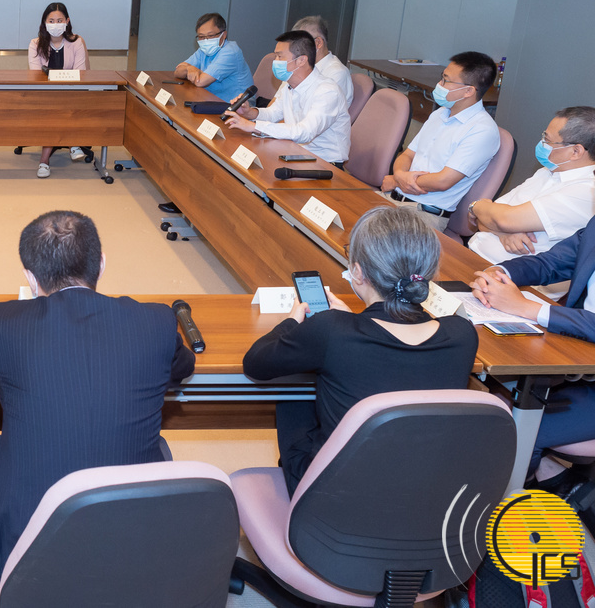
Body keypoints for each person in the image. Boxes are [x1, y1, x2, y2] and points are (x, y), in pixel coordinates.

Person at [0, 210, 195, 608]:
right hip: (134, 520)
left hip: (28, 528)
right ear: (101, 264)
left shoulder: (5, 322)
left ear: (30, 277)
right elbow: (182, 368)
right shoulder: (156, 321)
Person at [244, 207, 478, 495]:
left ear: (357, 272)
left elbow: (255, 363)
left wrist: (292, 321)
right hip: (423, 496)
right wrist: (352, 321)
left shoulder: (331, 330)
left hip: (331, 501)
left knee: (294, 397)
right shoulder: (463, 335)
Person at [472, 215, 595, 474]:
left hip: (586, 376)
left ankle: (509, 494)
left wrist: (527, 307)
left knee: (516, 430)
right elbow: (549, 263)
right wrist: (499, 275)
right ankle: (556, 480)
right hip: (577, 360)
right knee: (488, 395)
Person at [381, 51, 499, 231]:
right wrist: (399, 175)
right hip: (393, 198)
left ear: (468, 91)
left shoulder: (482, 130)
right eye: (442, 77)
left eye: (446, 80)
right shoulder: (439, 113)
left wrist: (397, 180)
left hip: (424, 214)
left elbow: (443, 181)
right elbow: (407, 155)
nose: (439, 85)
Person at [467, 106, 595, 264]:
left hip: (504, 272)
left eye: (547, 140)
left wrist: (477, 206)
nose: (542, 143)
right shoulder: (547, 171)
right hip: (474, 252)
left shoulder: (587, 191)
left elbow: (503, 218)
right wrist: (502, 232)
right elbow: (484, 219)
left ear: (575, 151)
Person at [222, 30, 351, 165]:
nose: (275, 61)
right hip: (295, 153)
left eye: (279, 57)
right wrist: (249, 113)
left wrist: (254, 126)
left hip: (325, 164)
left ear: (301, 60)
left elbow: (305, 132)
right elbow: (273, 114)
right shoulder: (289, 84)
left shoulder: (328, 91)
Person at [27, 2, 89, 177]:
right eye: (51, 21)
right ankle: (72, 143)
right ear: (45, 23)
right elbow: (36, 76)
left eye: (59, 20)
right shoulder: (35, 44)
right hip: (44, 94)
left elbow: (80, 73)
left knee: (58, 109)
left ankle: (44, 161)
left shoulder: (77, 42)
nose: (55, 25)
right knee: (53, 109)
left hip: (72, 93)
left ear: (67, 21)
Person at [174, 12, 253, 105]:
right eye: (201, 37)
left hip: (237, 106)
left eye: (211, 36)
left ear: (224, 35)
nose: (206, 40)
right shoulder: (203, 50)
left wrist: (193, 70)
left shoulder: (231, 52)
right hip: (210, 99)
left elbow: (200, 82)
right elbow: (177, 72)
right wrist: (189, 68)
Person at [292, 15, 353, 106]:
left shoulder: (337, 73)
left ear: (318, 43)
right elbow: (279, 100)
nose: (295, 49)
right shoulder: (299, 65)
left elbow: (322, 110)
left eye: (300, 43)